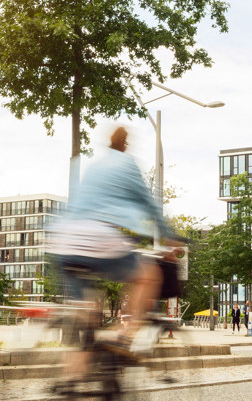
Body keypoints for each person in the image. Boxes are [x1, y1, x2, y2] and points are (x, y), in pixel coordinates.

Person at [48, 126, 181, 370]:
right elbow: (149, 204)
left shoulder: (94, 167)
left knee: (87, 322)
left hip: (64, 241)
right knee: (149, 275)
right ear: (125, 145)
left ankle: (70, 394)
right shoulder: (127, 165)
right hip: (99, 237)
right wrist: (168, 238)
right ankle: (124, 338)